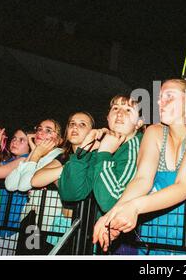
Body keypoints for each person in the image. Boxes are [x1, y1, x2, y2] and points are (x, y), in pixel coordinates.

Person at [93, 79, 186, 254]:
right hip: (156, 229)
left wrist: (134, 207)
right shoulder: (154, 131)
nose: (159, 102)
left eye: (169, 96)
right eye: (159, 97)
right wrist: (113, 214)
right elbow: (142, 179)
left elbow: (183, 186)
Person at [58, 98, 143, 254]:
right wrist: (85, 148)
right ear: (108, 118)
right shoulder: (104, 146)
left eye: (128, 110)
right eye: (115, 108)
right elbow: (71, 193)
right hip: (100, 238)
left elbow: (111, 203)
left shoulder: (136, 146)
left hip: (125, 242)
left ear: (138, 124)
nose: (120, 113)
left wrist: (104, 153)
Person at [29, 111, 95, 249]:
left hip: (88, 227)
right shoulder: (64, 156)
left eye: (82, 124)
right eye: (72, 124)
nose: (75, 128)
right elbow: (36, 180)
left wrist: (57, 176)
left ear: (92, 132)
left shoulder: (96, 155)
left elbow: (75, 188)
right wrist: (66, 169)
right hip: (61, 224)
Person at [4, 119, 63, 192]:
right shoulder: (37, 154)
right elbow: (10, 185)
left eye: (48, 130)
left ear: (58, 140)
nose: (40, 132)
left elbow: (23, 186)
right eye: (39, 129)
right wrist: (33, 151)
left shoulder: (58, 156)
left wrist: (36, 154)